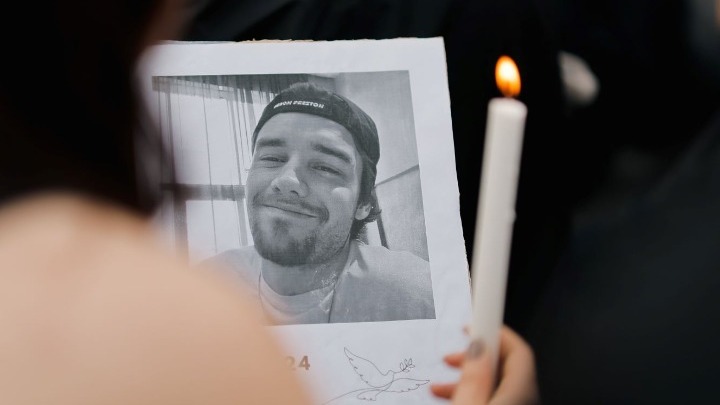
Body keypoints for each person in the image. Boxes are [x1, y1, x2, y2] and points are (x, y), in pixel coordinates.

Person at [208, 82, 435, 325]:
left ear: (363, 203)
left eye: (325, 167)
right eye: (272, 158)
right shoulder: (206, 287)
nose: (287, 181)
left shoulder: (422, 296)